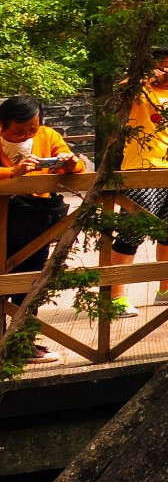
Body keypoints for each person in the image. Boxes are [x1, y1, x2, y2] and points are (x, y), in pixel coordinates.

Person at [107, 46, 168, 311]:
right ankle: (116, 296)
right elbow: (123, 89)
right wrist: (156, 74)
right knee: (131, 232)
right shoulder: (141, 89)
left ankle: (167, 288)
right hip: (142, 169)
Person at [1, 94, 89, 362]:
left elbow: (79, 167)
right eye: (18, 131)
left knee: (30, 280)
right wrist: (12, 174)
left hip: (34, 218)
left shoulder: (48, 135)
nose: (26, 134)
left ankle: (22, 343)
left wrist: (69, 163)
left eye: (32, 128)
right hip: (4, 215)